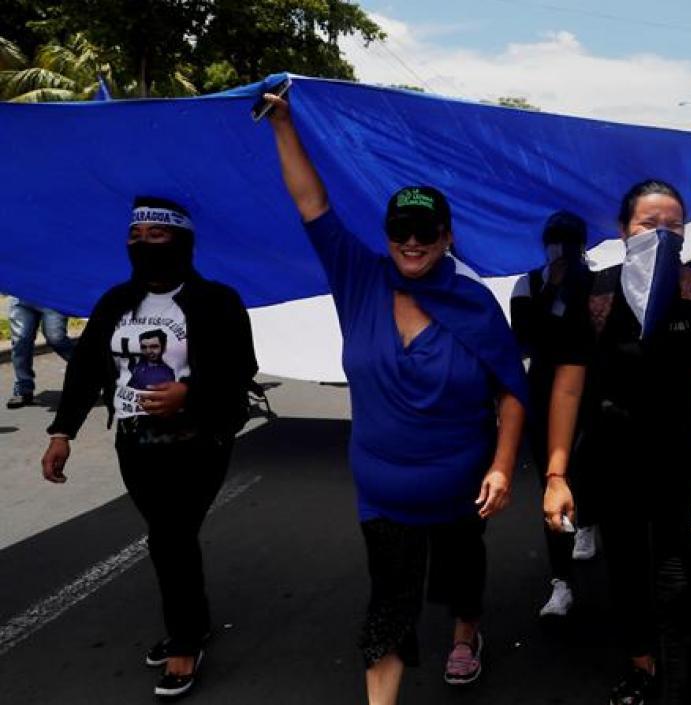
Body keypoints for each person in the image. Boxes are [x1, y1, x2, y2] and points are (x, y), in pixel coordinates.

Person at [263, 93, 528, 703]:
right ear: (386, 235)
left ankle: (467, 631)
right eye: (400, 231)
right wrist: (282, 123)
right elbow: (313, 205)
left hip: (463, 489)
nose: (412, 241)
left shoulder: (473, 304)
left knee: (462, 572)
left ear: (446, 235)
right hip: (382, 492)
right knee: (390, 602)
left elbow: (512, 390)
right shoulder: (359, 279)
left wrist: (502, 465)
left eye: (425, 231)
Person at [41, 196, 258, 700]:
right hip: (135, 444)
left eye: (156, 237)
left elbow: (239, 368)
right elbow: (87, 368)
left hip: (198, 441)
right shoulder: (116, 301)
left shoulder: (217, 301)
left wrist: (191, 392)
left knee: (169, 536)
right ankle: (194, 623)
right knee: (169, 537)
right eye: (136, 238)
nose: (144, 246)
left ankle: (185, 641)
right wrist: (62, 433)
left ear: (182, 241)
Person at [543, 180, 691, 705]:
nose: (663, 234)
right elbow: (568, 385)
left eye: (674, 225)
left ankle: (676, 688)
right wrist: (556, 476)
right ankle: (641, 667)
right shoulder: (597, 293)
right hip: (615, 465)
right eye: (650, 224)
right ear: (624, 230)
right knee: (626, 575)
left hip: (684, 468)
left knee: (678, 586)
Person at [510, 210, 596, 618]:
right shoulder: (527, 283)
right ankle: (561, 581)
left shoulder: (597, 283)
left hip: (592, 392)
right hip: (544, 392)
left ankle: (589, 521)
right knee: (553, 479)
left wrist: (576, 287)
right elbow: (526, 341)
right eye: (556, 240)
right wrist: (556, 292)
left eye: (570, 240)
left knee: (589, 471)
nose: (562, 248)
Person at [5, 297, 76, 408]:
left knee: (56, 338)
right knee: (21, 340)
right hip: (21, 296)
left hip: (52, 296)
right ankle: (23, 389)